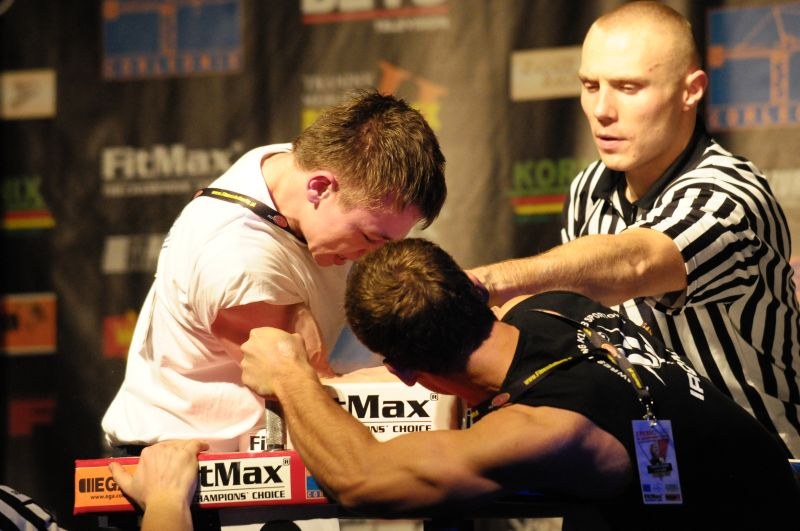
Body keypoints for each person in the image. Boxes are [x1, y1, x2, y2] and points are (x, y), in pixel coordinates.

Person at [234, 238, 800, 530]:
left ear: (407, 372)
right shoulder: (552, 307)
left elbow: (363, 479)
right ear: (474, 292)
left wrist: (289, 374)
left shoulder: (545, 428)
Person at [467, 1, 800, 457]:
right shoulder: (589, 188)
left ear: (691, 91)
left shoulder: (728, 195)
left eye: (629, 87)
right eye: (590, 86)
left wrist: (484, 282)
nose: (602, 110)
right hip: (651, 462)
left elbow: (634, 263)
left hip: (758, 469)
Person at [101, 89, 447, 454]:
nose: (374, 256)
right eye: (369, 237)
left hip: (248, 453)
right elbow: (309, 391)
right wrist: (441, 381)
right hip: (183, 462)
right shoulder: (239, 261)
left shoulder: (291, 165)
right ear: (319, 188)